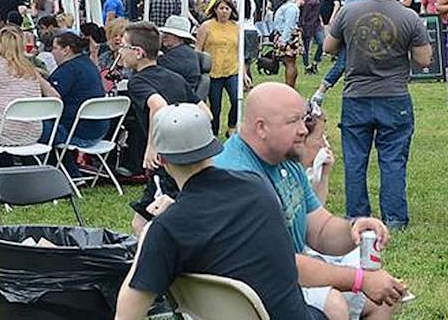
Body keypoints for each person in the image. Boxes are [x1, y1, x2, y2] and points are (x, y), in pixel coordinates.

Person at [115, 103, 323, 320]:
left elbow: (127, 313)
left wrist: (154, 228)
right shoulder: (258, 188)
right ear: (214, 146)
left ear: (162, 159)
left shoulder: (167, 229)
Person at [216, 83, 407, 320]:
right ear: (261, 128)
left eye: (303, 119)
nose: (303, 130)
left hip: (283, 278)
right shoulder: (237, 179)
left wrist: (354, 228)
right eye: (292, 121)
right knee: (334, 306)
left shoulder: (283, 158)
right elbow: (281, 264)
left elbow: (320, 229)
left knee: (381, 300)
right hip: (250, 296)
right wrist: (360, 280)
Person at [325, 0, 431, 230]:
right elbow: (424, 59)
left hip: (356, 94)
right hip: (394, 95)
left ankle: (357, 216)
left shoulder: (349, 11)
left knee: (355, 160)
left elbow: (328, 47)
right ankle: (394, 219)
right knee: (393, 159)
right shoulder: (409, 17)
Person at [126, 21, 205, 223]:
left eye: (123, 46)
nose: (119, 51)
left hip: (165, 160)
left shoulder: (138, 81)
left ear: (138, 52)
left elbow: (158, 105)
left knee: (144, 223)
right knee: (145, 220)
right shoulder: (175, 77)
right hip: (187, 157)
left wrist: (153, 147)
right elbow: (205, 112)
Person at [42, 30, 108, 176]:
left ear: (66, 50)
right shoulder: (87, 63)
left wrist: (37, 77)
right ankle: (71, 172)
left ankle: (55, 173)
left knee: (37, 128)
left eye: (54, 48)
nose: (52, 53)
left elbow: (53, 97)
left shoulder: (69, 69)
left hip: (78, 133)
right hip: (99, 130)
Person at [313, 0, 375, 105]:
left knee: (345, 64)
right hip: (352, 39)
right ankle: (320, 92)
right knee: (342, 63)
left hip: (360, 40)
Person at [196, 0, 240, 135]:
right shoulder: (207, 26)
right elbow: (198, 49)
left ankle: (231, 126)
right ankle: (213, 132)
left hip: (232, 69)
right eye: (221, 8)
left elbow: (240, 51)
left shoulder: (236, 27)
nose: (224, 12)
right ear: (215, 10)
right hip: (213, 71)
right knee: (215, 106)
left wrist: (244, 73)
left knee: (236, 99)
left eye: (227, 9)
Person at [157, 15, 200, 94]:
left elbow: (151, 67)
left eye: (168, 33)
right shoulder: (180, 51)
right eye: (164, 33)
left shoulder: (182, 54)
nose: (164, 36)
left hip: (179, 98)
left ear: (180, 37)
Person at [271, 0, 302, 88]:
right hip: (283, 34)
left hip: (288, 36)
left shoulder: (291, 8)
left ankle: (290, 86)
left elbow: (289, 24)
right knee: (287, 62)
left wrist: (284, 40)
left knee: (290, 62)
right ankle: (290, 84)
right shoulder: (286, 6)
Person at [299, 0, 324, 74]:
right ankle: (307, 66)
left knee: (321, 43)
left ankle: (315, 62)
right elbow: (299, 6)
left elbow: (318, 9)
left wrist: (320, 19)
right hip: (306, 23)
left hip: (316, 23)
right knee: (306, 46)